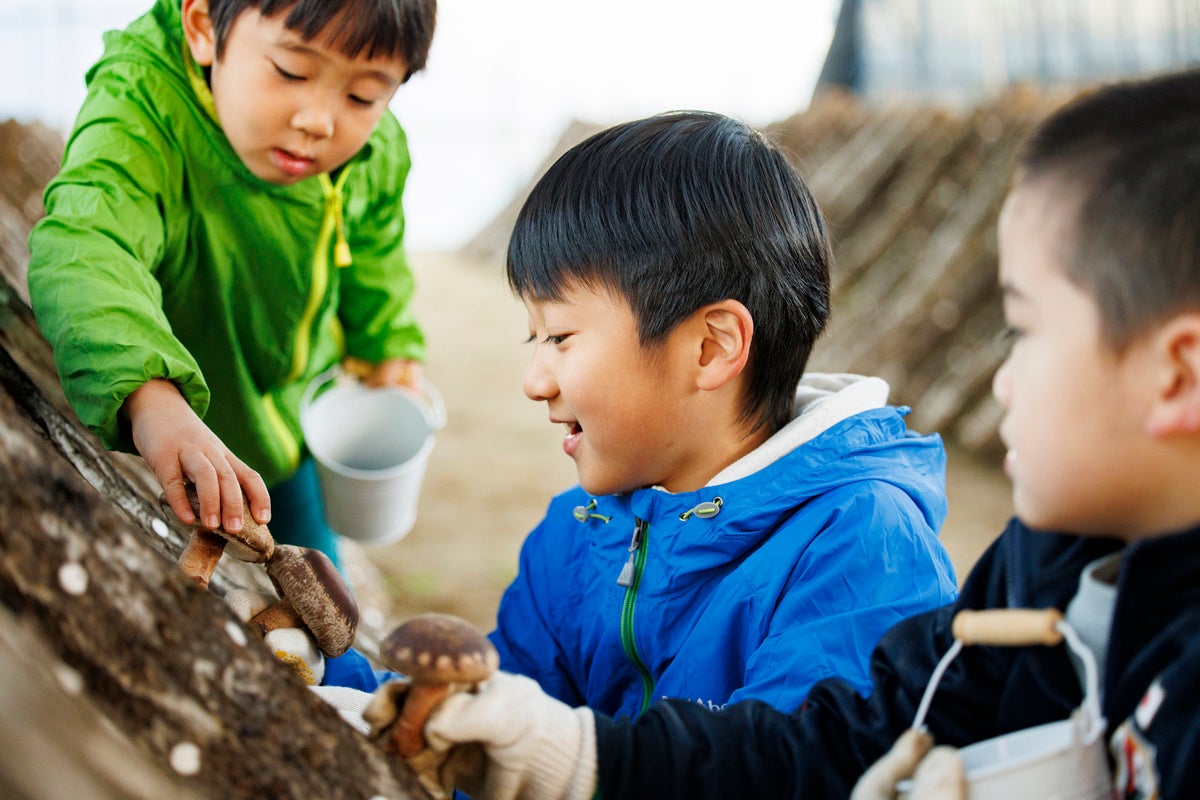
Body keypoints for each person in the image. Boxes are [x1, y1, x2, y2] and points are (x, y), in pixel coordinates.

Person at [406, 68, 1200, 800]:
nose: (1002, 384)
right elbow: (835, 745)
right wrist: (552, 749)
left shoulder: (861, 543)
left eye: (1024, 331)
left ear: (1177, 375)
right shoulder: (1040, 571)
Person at [26, 0, 436, 571]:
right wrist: (150, 399)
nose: (318, 122)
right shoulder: (143, 106)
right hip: (184, 430)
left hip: (292, 429)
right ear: (202, 27)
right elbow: (88, 246)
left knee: (322, 588)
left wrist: (387, 350)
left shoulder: (376, 150)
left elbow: (374, 257)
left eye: (363, 96)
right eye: (292, 71)